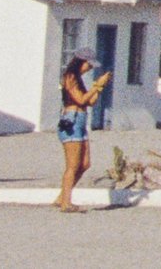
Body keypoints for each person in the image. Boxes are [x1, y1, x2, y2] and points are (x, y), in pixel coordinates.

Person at [53, 52, 110, 211]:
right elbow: (80, 99)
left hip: (81, 121)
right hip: (72, 120)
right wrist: (96, 86)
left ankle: (62, 197)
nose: (89, 68)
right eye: (88, 65)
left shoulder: (78, 78)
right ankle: (66, 203)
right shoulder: (70, 77)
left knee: (84, 164)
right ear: (81, 62)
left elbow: (90, 102)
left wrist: (100, 87)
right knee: (72, 166)